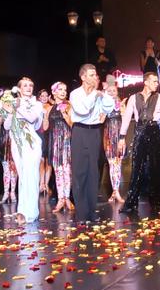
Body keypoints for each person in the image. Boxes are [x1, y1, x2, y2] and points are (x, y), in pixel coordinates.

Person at [118, 72, 160, 213]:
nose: (156, 84)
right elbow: (127, 117)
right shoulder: (134, 98)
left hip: (154, 131)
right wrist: (122, 137)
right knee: (137, 167)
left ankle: (155, 202)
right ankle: (131, 202)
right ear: (146, 82)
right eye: (154, 81)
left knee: (155, 167)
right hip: (140, 131)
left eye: (157, 81)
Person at [69, 64, 116, 222]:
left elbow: (109, 107)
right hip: (80, 131)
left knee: (93, 172)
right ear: (83, 77)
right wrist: (94, 95)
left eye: (95, 75)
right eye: (91, 75)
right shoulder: (75, 94)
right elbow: (82, 110)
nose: (94, 77)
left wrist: (104, 93)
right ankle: (81, 213)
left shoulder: (98, 93)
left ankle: (91, 211)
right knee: (80, 172)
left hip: (95, 131)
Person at [5, 77, 45, 225]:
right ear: (19, 88)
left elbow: (32, 118)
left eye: (30, 85)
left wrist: (17, 107)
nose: (28, 88)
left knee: (31, 176)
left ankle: (29, 213)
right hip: (17, 143)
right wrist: (11, 111)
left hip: (31, 143)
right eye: (25, 85)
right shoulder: (15, 103)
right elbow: (7, 126)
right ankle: (23, 210)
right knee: (23, 177)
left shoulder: (37, 104)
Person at [44, 82, 74, 213]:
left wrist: (65, 113)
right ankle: (60, 199)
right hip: (55, 143)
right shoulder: (49, 108)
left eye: (65, 90)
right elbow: (45, 127)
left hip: (66, 142)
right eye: (60, 89)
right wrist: (45, 116)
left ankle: (67, 198)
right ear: (54, 92)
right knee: (58, 172)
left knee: (67, 171)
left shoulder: (69, 106)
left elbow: (72, 124)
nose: (63, 92)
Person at [103, 83, 126, 204]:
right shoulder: (104, 105)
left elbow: (125, 121)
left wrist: (122, 109)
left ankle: (116, 191)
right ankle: (115, 191)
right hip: (108, 138)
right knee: (112, 165)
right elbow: (101, 120)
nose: (112, 93)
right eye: (109, 91)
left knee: (118, 164)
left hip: (119, 138)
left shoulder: (121, 104)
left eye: (114, 91)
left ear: (117, 92)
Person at [38, 89, 53, 196]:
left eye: (46, 95)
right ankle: (41, 183)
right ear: (39, 97)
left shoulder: (51, 107)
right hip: (39, 134)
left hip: (50, 134)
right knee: (41, 160)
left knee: (49, 161)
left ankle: (46, 184)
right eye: (42, 96)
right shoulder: (36, 107)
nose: (44, 97)